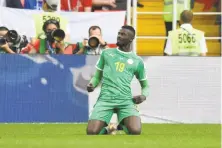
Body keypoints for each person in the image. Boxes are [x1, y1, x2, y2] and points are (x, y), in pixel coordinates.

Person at [86, 25, 149, 135]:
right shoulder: (107, 54)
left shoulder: (137, 60)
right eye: (119, 33)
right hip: (105, 99)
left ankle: (122, 126)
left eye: (123, 34)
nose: (119, 36)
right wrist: (92, 84)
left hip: (125, 100)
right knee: (92, 132)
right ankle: (108, 129)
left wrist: (143, 96)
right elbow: (97, 76)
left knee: (135, 131)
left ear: (131, 39)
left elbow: (145, 85)